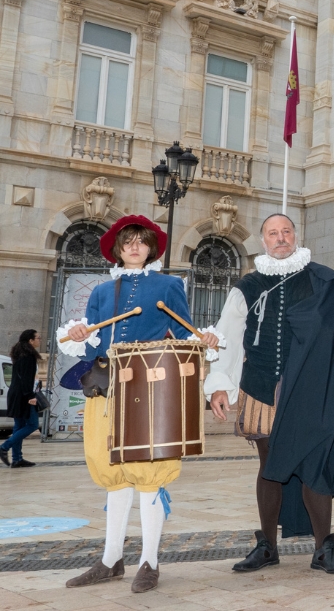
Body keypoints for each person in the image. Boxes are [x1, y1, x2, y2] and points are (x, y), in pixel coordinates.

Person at [57, 216, 212, 593]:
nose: (134, 246)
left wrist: (203, 339)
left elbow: (183, 334)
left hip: (150, 394)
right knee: (114, 476)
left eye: (141, 241)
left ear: (151, 248)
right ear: (117, 247)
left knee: (149, 476)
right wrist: (79, 334)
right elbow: (92, 345)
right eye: (127, 241)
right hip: (107, 392)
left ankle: (149, 561)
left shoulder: (170, 285)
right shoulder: (100, 293)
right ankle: (111, 560)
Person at [205, 213, 334, 575]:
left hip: (309, 388)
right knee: (269, 466)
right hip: (260, 386)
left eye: (286, 231)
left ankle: (323, 548)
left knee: (313, 464)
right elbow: (227, 336)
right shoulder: (248, 285)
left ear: (296, 236)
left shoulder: (319, 280)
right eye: (273, 233)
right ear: (263, 241)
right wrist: (219, 386)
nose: (280, 237)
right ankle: (267, 545)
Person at [2, 330, 42, 468]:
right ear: (30, 341)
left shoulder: (20, 354)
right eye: (38, 338)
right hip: (24, 395)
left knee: (19, 426)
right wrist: (30, 396)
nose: (40, 340)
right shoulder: (28, 356)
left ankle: (17, 458)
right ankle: (4, 447)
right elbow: (26, 378)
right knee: (32, 424)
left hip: (15, 394)